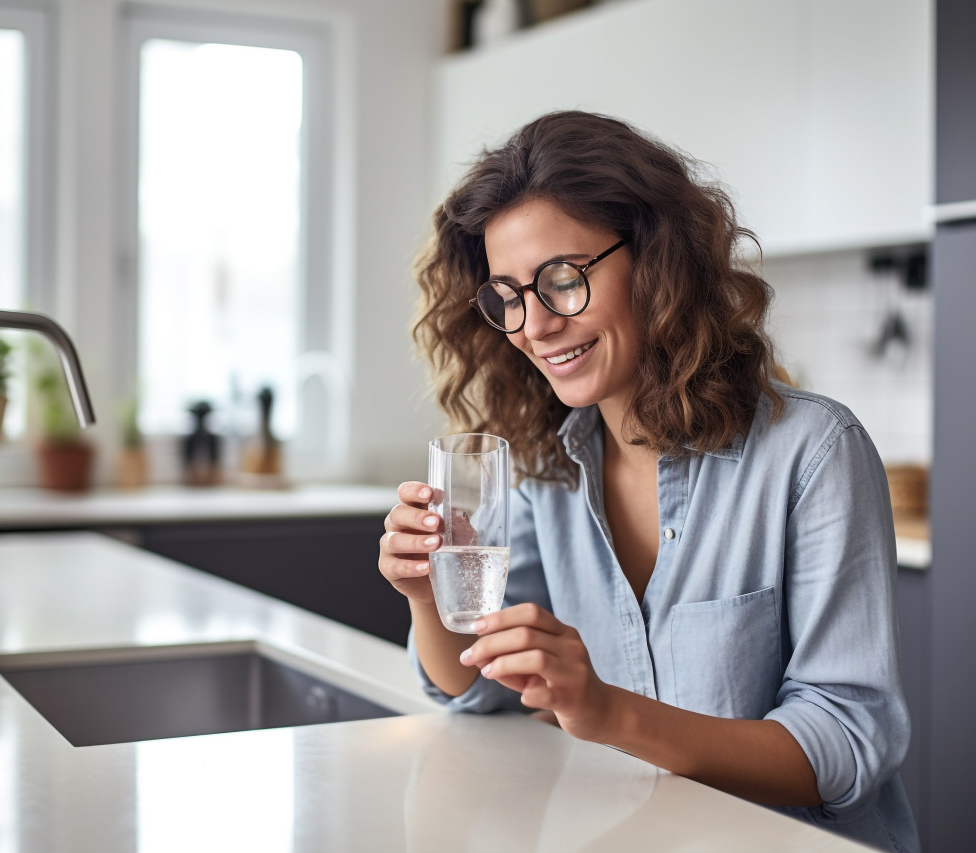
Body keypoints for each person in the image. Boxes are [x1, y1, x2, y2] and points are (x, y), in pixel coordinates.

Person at [377, 111, 918, 852]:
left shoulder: (814, 451)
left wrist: (606, 711)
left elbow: (847, 741)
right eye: (509, 295)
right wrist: (427, 595)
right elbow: (488, 693)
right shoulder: (546, 464)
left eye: (563, 280)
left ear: (657, 261)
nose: (535, 325)